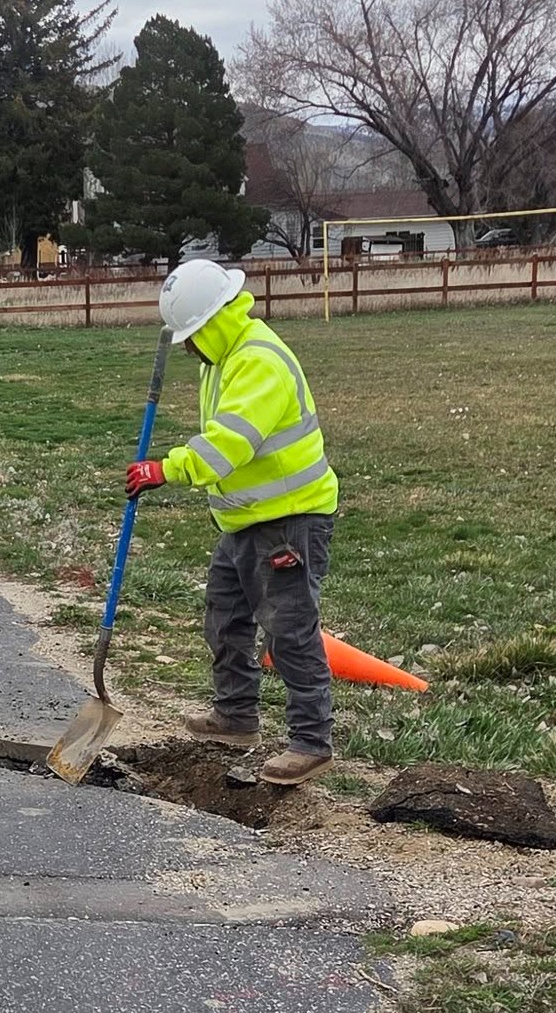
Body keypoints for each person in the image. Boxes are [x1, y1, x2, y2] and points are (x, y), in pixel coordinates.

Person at [126, 259, 339, 786]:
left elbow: (229, 445)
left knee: (289, 628)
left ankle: (312, 741)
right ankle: (236, 716)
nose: (189, 348)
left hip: (289, 519)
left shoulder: (258, 361)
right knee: (225, 615)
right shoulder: (221, 359)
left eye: (193, 336)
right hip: (244, 521)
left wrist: (167, 469)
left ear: (215, 320)